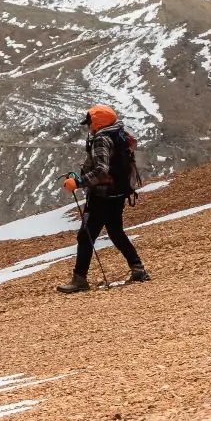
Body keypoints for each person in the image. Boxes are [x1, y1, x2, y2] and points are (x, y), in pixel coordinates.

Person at [56, 105, 150, 292]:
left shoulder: (101, 139)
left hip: (102, 195)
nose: (88, 127)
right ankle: (137, 268)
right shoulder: (119, 133)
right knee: (115, 231)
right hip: (118, 193)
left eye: (90, 123)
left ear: (97, 122)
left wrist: (79, 182)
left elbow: (101, 171)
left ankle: (79, 280)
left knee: (86, 236)